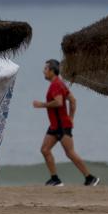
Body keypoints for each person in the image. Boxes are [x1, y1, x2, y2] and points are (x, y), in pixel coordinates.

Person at [33, 59, 98, 187]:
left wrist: (42, 105)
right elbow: (73, 100)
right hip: (55, 126)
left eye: (46, 69)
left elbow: (59, 102)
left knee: (70, 153)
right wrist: (71, 118)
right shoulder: (60, 83)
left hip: (61, 126)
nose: (43, 71)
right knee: (45, 150)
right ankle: (55, 179)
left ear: (52, 71)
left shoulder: (56, 85)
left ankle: (90, 178)